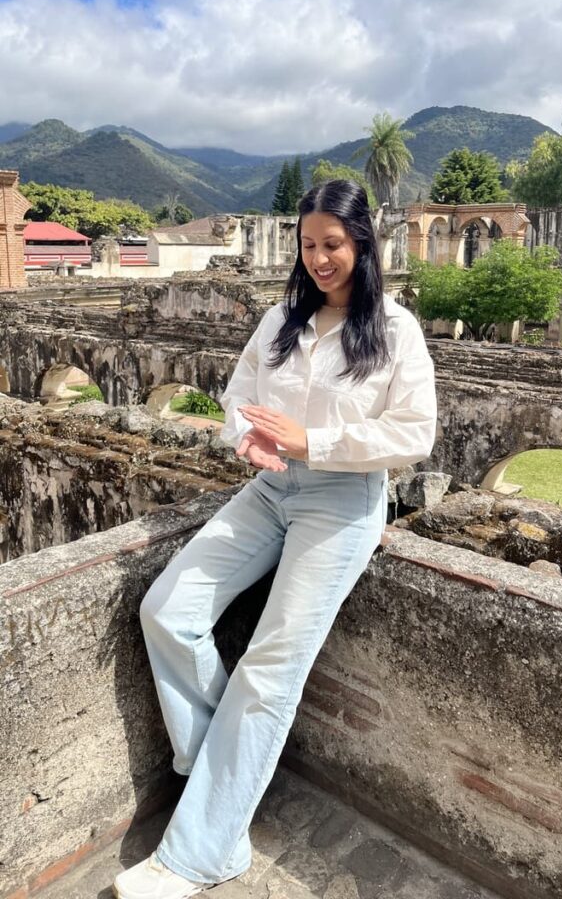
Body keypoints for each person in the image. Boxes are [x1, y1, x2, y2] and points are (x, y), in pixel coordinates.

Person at [113, 179, 437, 899]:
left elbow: (415, 434)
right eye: (308, 244)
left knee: (269, 668)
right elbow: (237, 400)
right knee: (167, 610)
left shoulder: (393, 327)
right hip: (269, 489)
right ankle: (218, 780)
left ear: (361, 244)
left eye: (333, 244)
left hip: (342, 500)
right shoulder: (281, 320)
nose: (319, 258)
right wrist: (248, 442)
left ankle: (202, 852)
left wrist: (313, 439)